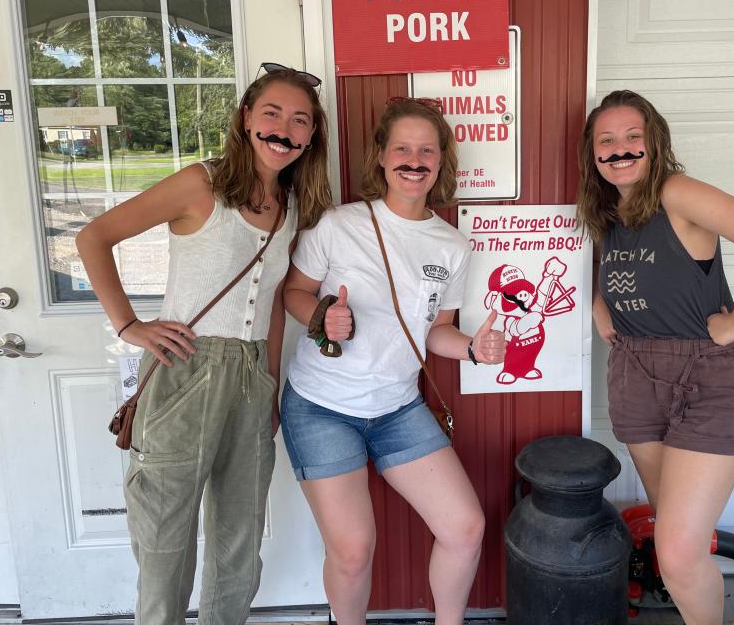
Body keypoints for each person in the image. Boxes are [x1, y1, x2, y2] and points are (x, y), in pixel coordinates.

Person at [76, 63, 332, 625]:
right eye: (271, 113)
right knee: (166, 535)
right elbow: (94, 236)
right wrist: (128, 325)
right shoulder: (202, 184)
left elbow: (268, 310)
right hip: (183, 369)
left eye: (300, 120)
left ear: (312, 136)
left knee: (239, 537)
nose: (283, 129)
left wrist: (267, 387)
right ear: (245, 118)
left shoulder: (292, 209)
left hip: (249, 378)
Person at [577, 90, 734, 625]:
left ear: (655, 142)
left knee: (677, 552)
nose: (619, 150)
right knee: (679, 540)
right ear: (592, 153)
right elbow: (609, 273)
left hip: (709, 377)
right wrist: (600, 308)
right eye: (605, 141)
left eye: (633, 137)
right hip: (637, 374)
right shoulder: (607, 209)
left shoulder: (676, 193)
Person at [281, 97, 505, 625]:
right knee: (354, 551)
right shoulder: (339, 224)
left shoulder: (452, 245)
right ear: (381, 157)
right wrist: (322, 316)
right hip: (321, 407)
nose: (414, 158)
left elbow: (439, 332)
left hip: (398, 409)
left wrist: (473, 347)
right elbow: (294, 291)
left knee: (465, 528)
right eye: (401, 147)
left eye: (426, 149)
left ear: (441, 160)